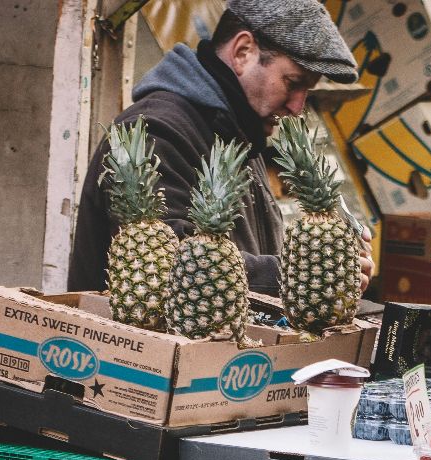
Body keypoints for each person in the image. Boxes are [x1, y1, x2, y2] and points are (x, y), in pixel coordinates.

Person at [67, 0, 373, 298]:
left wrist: (328, 265)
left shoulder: (239, 133)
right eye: (293, 83)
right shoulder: (155, 132)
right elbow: (169, 265)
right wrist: (305, 275)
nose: (298, 107)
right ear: (243, 52)